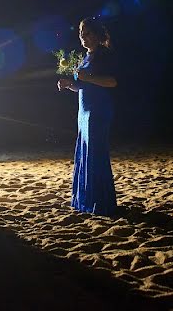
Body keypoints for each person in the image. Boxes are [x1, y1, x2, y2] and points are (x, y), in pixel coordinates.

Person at [56, 17, 118, 216]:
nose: (83, 37)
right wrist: (69, 84)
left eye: (87, 33)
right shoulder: (85, 57)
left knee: (96, 154)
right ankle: (86, 200)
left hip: (99, 109)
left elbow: (112, 82)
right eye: (81, 33)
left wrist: (87, 77)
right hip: (83, 110)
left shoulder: (105, 55)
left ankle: (100, 202)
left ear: (97, 34)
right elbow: (83, 86)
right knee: (85, 152)